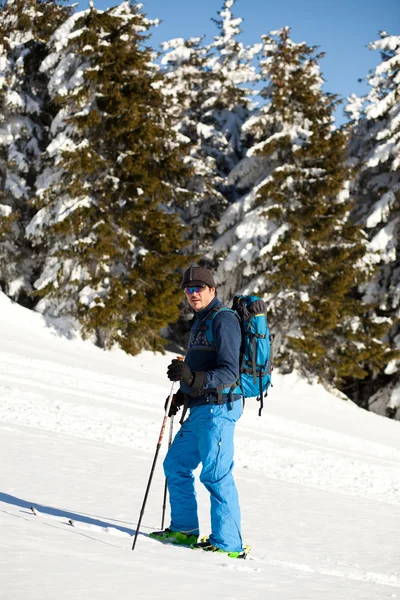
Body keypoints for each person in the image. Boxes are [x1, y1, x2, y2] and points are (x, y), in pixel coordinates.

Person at [150, 266, 245, 557]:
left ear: (212, 290)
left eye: (199, 288)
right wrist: (182, 393)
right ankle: (185, 530)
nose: (193, 294)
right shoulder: (200, 321)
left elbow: (230, 371)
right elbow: (199, 368)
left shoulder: (223, 319)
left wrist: (193, 379)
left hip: (220, 408)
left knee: (216, 476)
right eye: (188, 290)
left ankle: (228, 544)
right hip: (200, 407)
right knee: (175, 465)